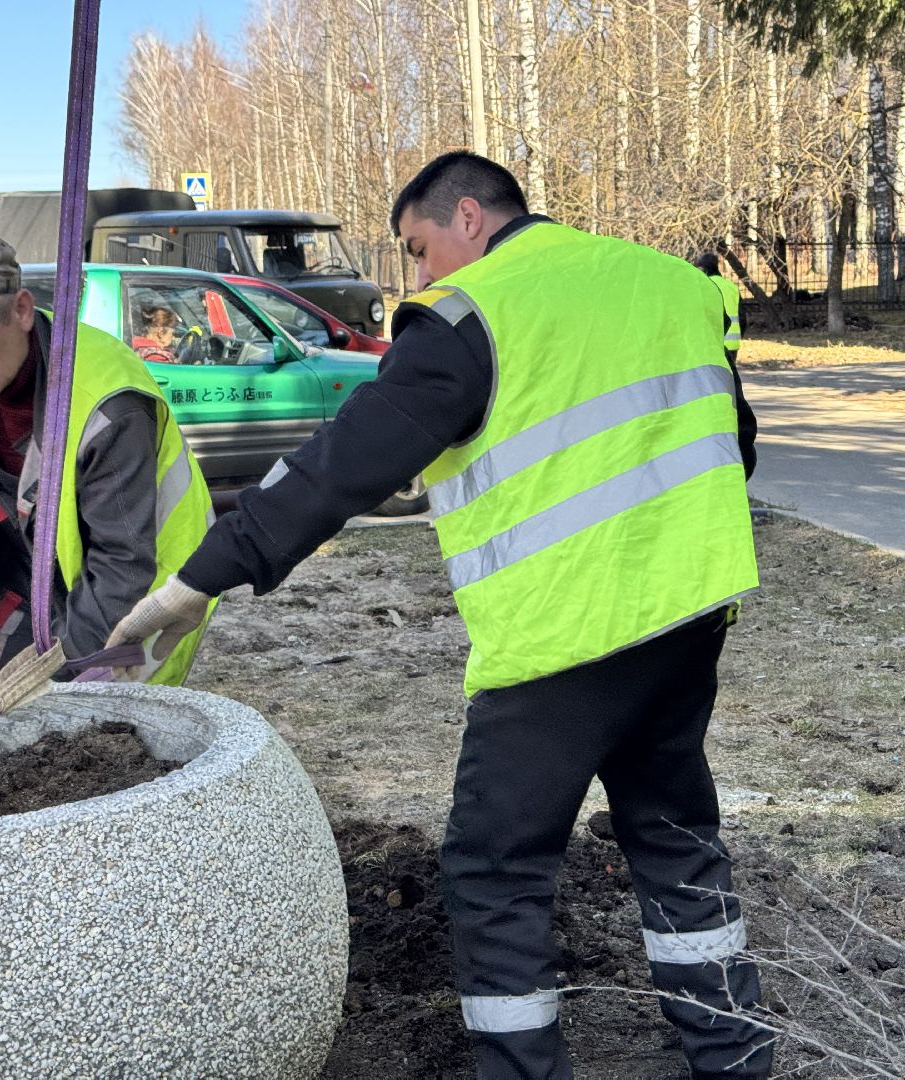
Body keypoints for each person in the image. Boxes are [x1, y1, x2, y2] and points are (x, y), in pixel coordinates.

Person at [107, 152, 771, 1080]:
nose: (417, 277)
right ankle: (733, 1056)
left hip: (563, 641)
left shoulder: (471, 314)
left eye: (419, 250)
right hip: (688, 617)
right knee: (673, 836)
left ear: (468, 217)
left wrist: (196, 581)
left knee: (495, 873)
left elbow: (342, 463)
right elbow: (733, 443)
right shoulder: (667, 283)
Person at [0, 234, 216, 692]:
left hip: (148, 592)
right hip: (34, 576)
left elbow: (121, 563)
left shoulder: (106, 398)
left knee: (104, 739)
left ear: (22, 310)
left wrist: (56, 678)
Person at [694, 250, 743, 357]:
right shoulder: (732, 287)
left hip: (712, 344)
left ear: (703, 269)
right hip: (732, 344)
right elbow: (742, 317)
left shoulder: (704, 286)